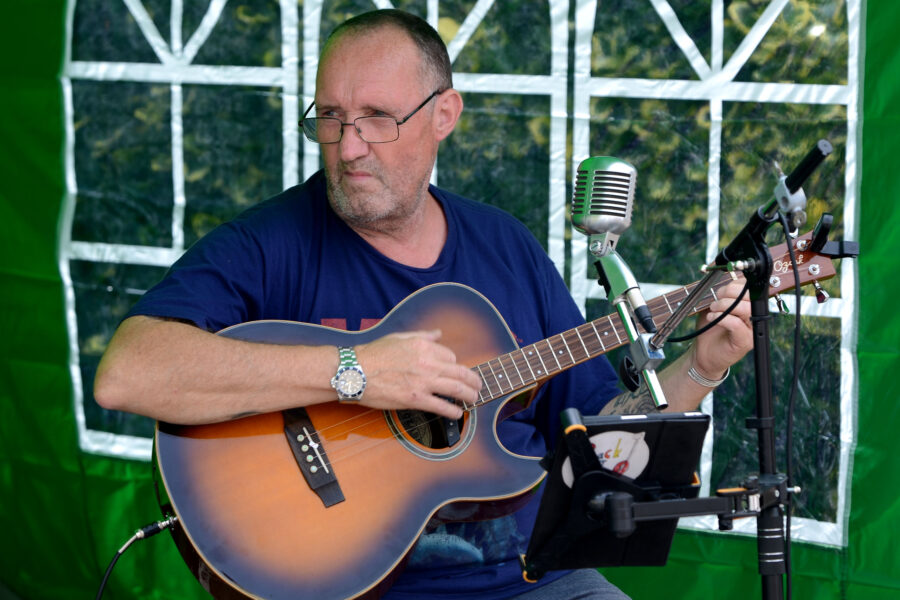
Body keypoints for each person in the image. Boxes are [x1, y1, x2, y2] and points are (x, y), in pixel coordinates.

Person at [94, 9, 752, 599]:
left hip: (534, 583)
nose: (349, 147)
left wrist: (701, 367)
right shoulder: (272, 241)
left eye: (378, 118)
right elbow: (127, 373)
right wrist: (354, 371)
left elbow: (605, 443)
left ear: (444, 115)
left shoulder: (505, 247)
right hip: (348, 583)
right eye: (330, 116)